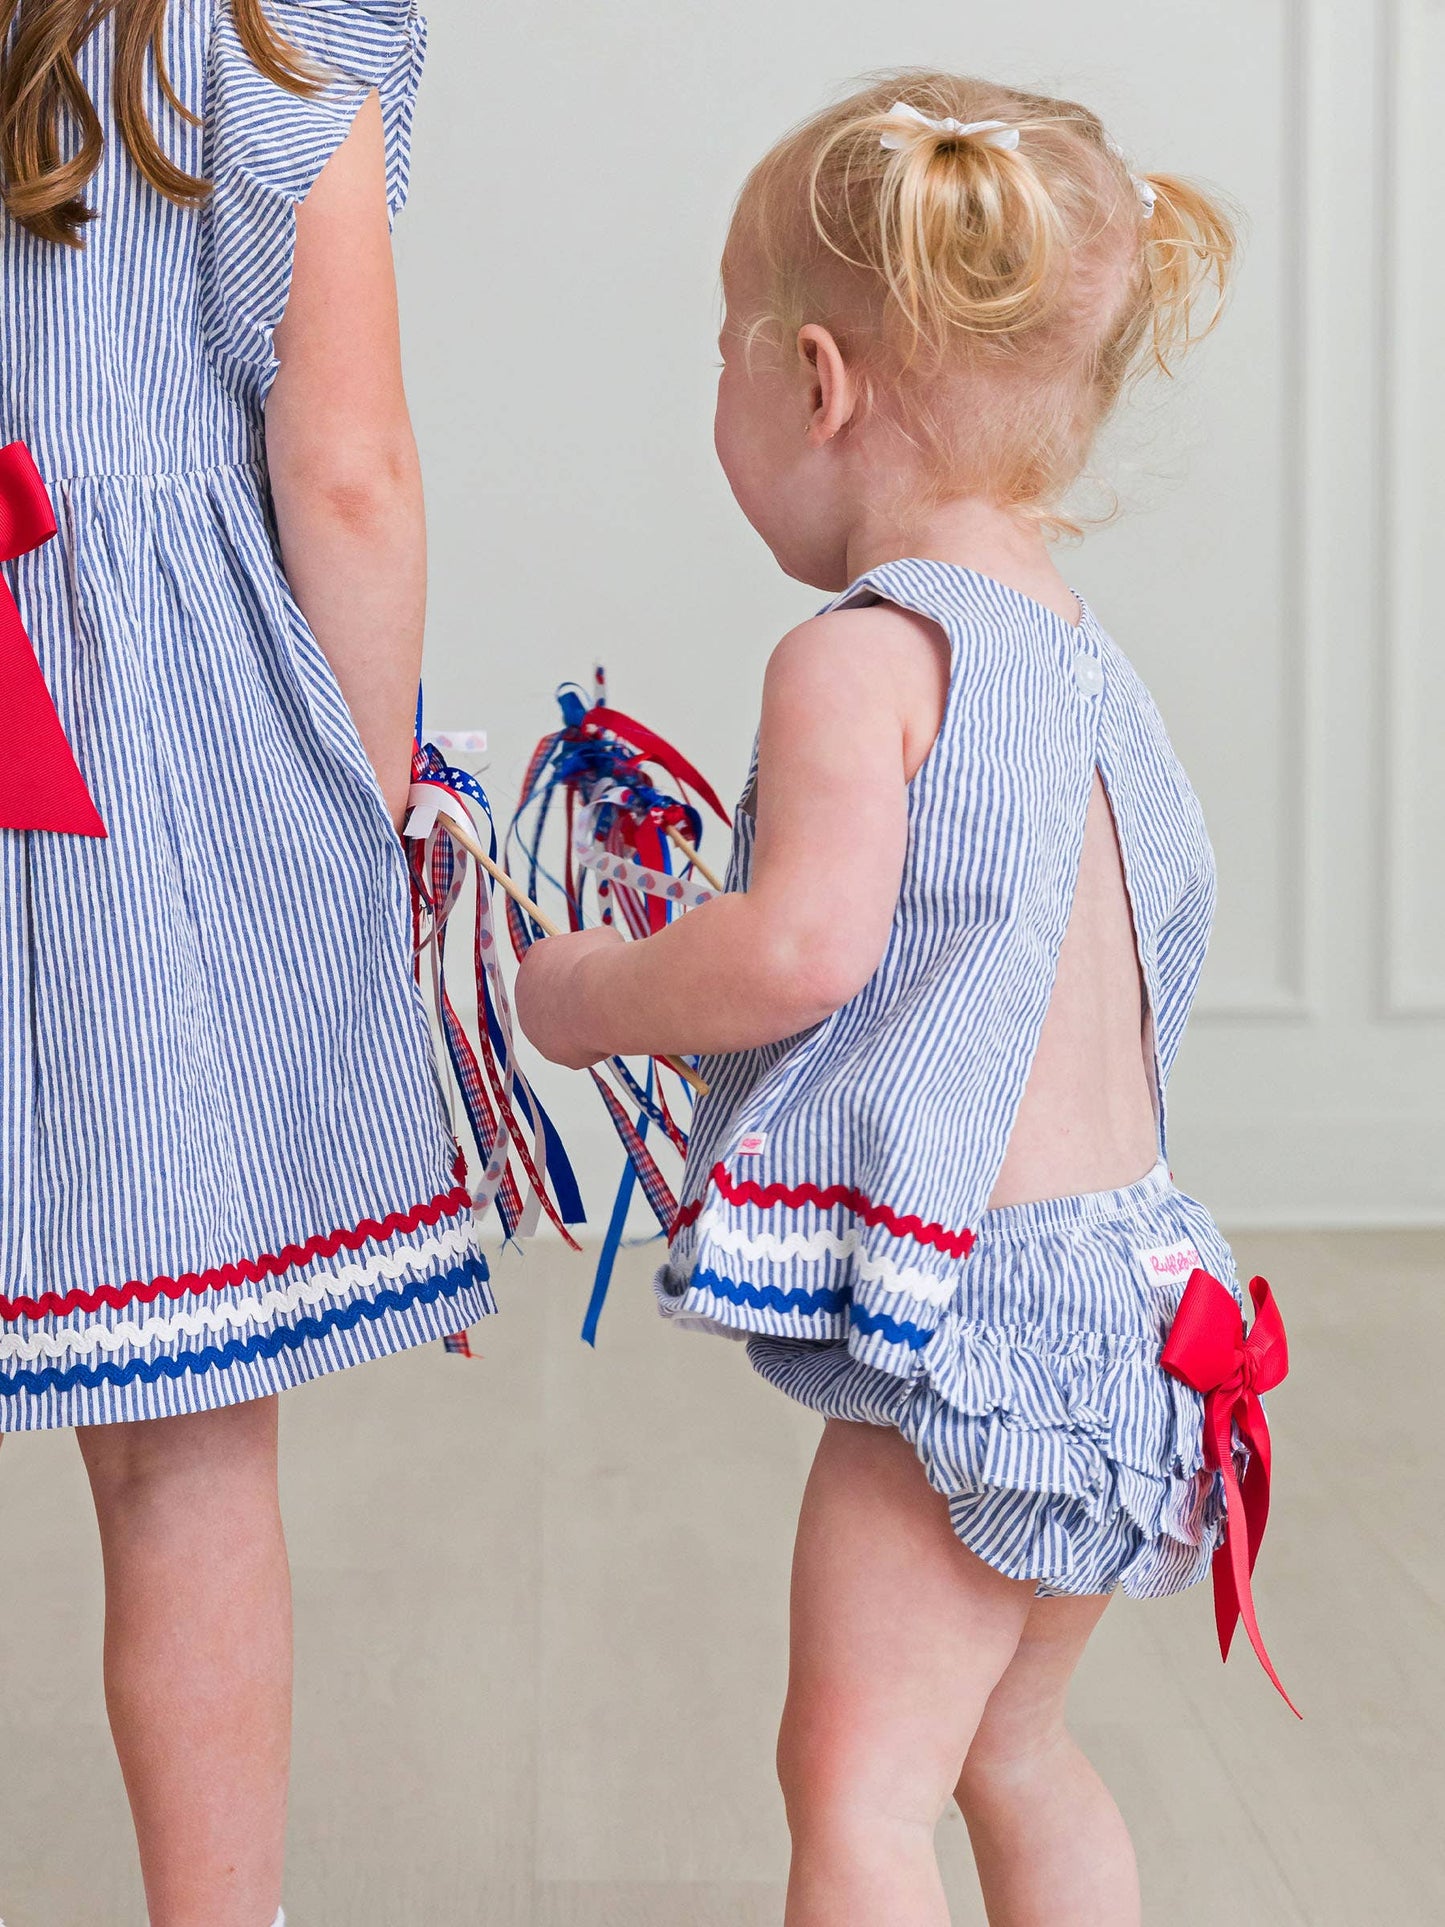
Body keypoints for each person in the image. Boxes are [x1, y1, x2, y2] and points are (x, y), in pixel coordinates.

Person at [517, 72, 1273, 1926]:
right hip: (1149, 1304)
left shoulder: (861, 655)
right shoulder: (1082, 665)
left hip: (986, 1335)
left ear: (814, 384)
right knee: (1009, 1750)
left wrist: (598, 987)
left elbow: (799, 949)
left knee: (855, 1789)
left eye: (721, 357)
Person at [0, 4, 491, 1922]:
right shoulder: (261, 29)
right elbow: (347, 458)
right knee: (175, 1466)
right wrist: (354, 814)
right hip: (137, 769)